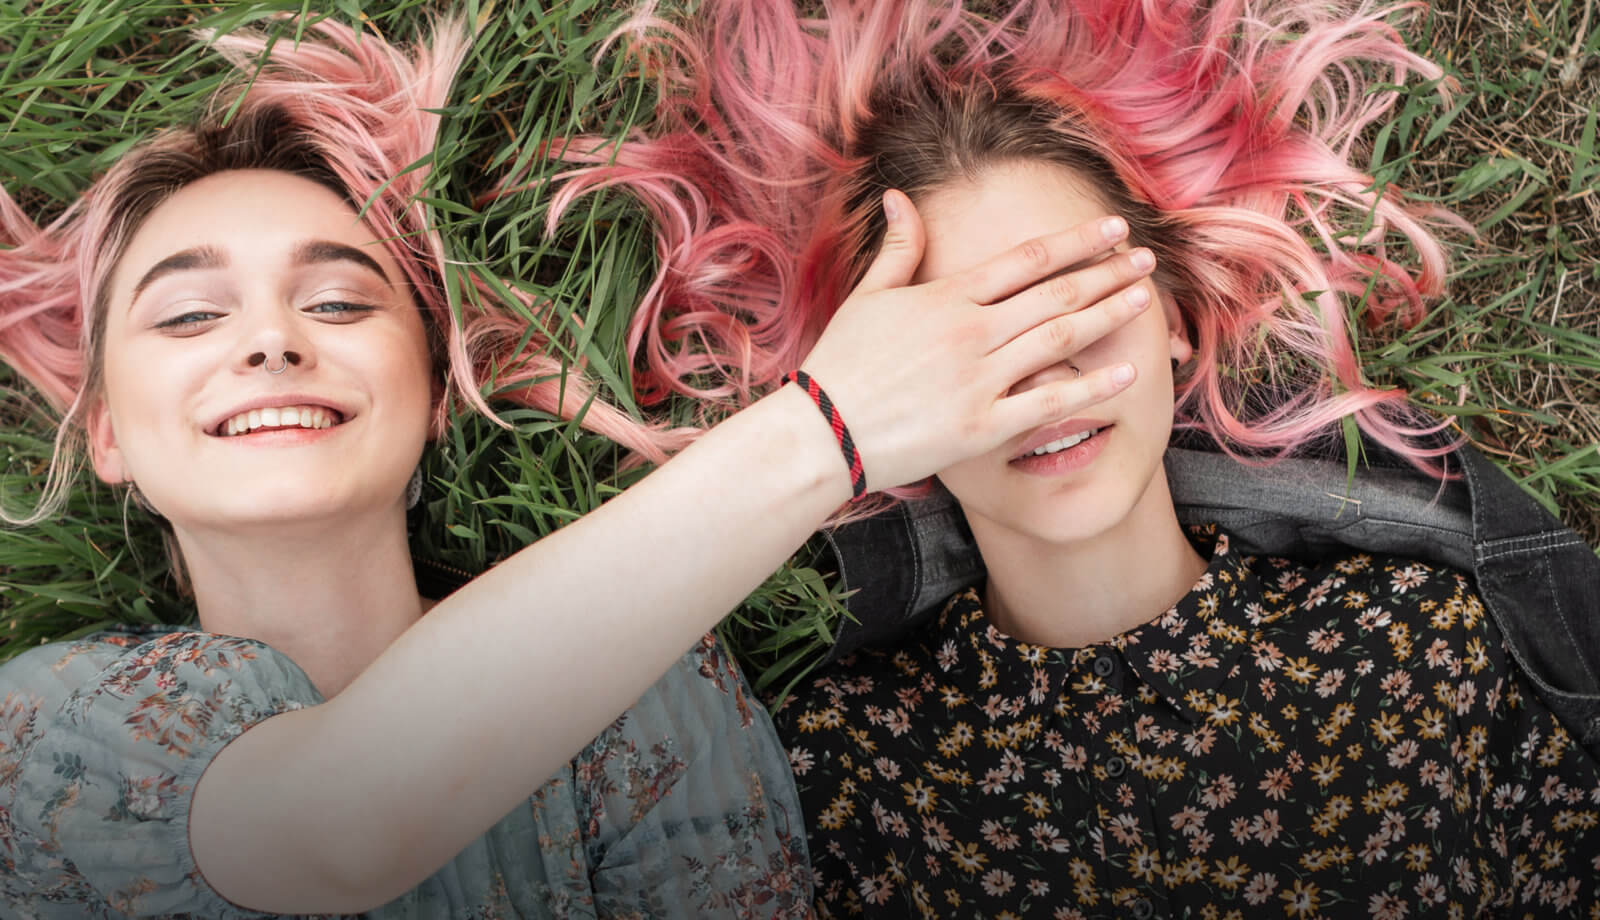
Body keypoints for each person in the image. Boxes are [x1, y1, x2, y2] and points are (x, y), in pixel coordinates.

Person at [0, 13, 1159, 918]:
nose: (269, 340)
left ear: (434, 396)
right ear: (106, 431)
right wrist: (829, 424)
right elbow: (328, 828)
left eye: (341, 298)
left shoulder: (656, 690)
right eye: (191, 317)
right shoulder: (36, 725)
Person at [551, 0, 1600, 914]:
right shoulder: (851, 768)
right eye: (967, 344)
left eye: (1073, 307)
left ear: (1177, 317)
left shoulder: (1414, 643)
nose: (1040, 381)